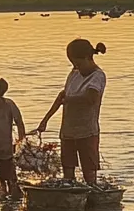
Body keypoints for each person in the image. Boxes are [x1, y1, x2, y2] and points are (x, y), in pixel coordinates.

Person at [34, 40, 107, 183]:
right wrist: (45, 120)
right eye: (73, 64)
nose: (76, 67)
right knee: (68, 172)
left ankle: (91, 197)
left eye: (78, 64)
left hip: (87, 131)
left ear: (87, 58)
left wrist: (69, 100)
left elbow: (91, 98)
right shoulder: (74, 74)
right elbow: (62, 96)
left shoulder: (97, 76)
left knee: (89, 173)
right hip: (68, 131)